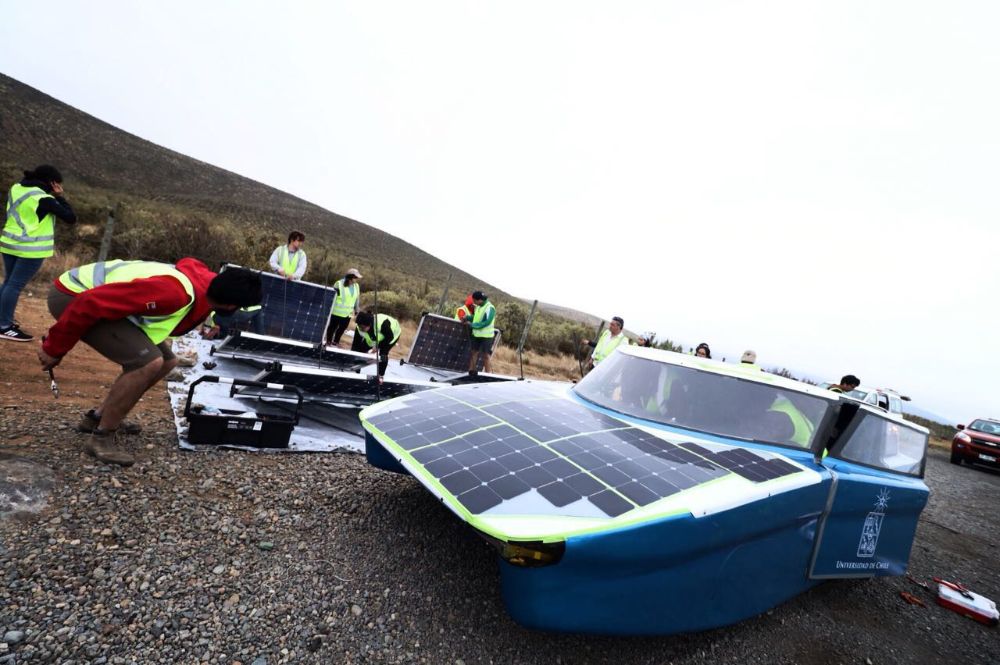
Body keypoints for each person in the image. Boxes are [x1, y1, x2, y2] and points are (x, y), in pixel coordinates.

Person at [38, 259, 262, 466]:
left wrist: (211, 320)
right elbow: (91, 302)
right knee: (147, 363)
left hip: (91, 298)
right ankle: (101, 438)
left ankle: (97, 418)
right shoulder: (172, 293)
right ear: (230, 306)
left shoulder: (210, 284)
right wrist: (54, 348)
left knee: (168, 361)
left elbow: (193, 272)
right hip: (72, 295)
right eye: (239, 308)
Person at [1, 165, 77, 342]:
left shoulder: (16, 188)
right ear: (52, 183)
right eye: (57, 184)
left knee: (8, 283)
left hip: (9, 243)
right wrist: (60, 197)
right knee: (14, 285)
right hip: (30, 248)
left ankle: (3, 320)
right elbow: (70, 218)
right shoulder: (44, 198)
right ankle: (4, 326)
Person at [352, 310, 400, 378]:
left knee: (383, 353)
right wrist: (352, 358)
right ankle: (356, 371)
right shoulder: (359, 328)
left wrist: (378, 346)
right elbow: (355, 345)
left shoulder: (382, 324)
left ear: (369, 325)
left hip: (392, 335)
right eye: (359, 326)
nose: (361, 329)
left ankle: (380, 375)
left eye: (363, 327)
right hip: (375, 337)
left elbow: (390, 337)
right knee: (361, 349)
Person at [325, 268, 362, 346]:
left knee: (342, 328)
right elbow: (332, 297)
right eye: (355, 277)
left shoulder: (356, 286)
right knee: (332, 328)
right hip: (336, 312)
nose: (357, 279)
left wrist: (356, 309)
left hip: (347, 313)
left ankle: (336, 342)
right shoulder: (338, 284)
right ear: (350, 277)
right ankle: (328, 341)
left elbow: (357, 298)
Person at [465, 290, 495, 374]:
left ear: (480, 300)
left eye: (474, 300)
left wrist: (472, 325)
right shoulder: (478, 307)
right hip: (476, 334)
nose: (473, 302)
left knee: (486, 355)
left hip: (486, 336)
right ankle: (471, 372)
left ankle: (488, 375)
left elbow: (487, 322)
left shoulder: (490, 308)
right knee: (473, 353)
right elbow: (476, 317)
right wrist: (467, 317)